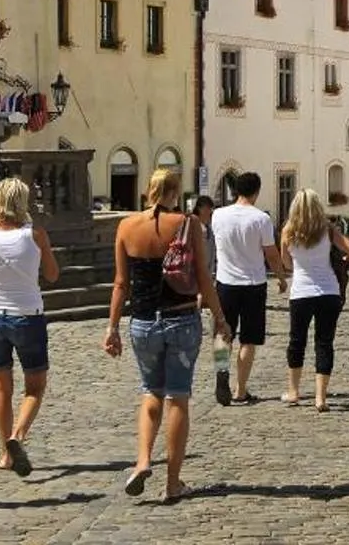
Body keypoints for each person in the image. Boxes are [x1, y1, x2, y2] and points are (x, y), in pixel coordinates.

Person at [104, 166, 228, 505]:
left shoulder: (126, 227)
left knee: (150, 393)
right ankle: (173, 483)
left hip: (142, 323)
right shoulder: (187, 225)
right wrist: (220, 318)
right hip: (181, 319)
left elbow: (120, 283)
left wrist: (112, 326)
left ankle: (143, 460)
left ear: (148, 190)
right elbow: (203, 276)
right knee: (178, 398)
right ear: (175, 193)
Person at [0, 176, 60, 476]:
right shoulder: (35, 235)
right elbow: (52, 275)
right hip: (28, 314)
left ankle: (5, 455)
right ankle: (16, 438)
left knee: (1, 389)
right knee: (34, 386)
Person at [276, 190, 349, 410]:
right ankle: (320, 397)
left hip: (301, 292)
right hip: (328, 291)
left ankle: (294, 391)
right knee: (324, 343)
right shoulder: (328, 230)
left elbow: (285, 263)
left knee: (297, 342)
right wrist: (340, 258)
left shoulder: (288, 231)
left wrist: (300, 264)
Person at [210, 173, 280, 405]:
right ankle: (240, 390)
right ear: (256, 192)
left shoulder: (218, 215)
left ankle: (222, 371)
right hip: (253, 284)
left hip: (225, 283)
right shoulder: (261, 219)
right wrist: (281, 277)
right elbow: (271, 254)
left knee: (222, 334)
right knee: (248, 339)